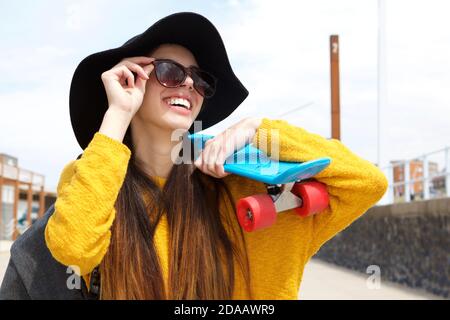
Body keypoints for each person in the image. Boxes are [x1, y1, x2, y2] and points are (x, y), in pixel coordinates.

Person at [0, 12, 387, 300]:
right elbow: (73, 248)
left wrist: (260, 130)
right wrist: (117, 114)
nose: (187, 82)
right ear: (131, 78)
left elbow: (367, 183)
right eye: (169, 71)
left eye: (199, 79)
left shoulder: (239, 186)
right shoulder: (91, 190)